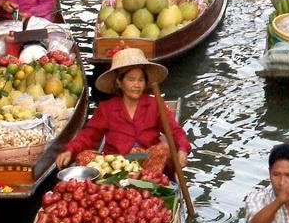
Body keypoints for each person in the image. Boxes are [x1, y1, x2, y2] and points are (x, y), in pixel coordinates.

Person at [56, 47, 191, 171]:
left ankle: (148, 181)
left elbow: (175, 131)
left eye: (141, 80)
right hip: (118, 162)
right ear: (120, 82)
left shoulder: (155, 104)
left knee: (164, 149)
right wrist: (70, 150)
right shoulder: (107, 108)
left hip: (147, 160)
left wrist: (183, 149)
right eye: (131, 80)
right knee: (83, 157)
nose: (137, 85)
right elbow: (88, 136)